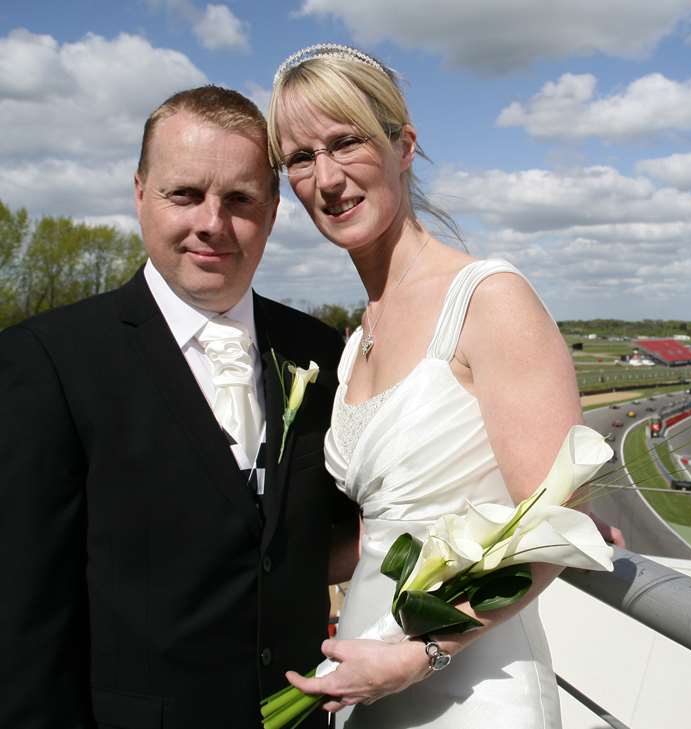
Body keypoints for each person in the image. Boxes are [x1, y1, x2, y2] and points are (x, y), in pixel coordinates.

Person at [267, 45, 620, 728]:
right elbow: (375, 530)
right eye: (301, 159)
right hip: (364, 678)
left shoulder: (488, 299)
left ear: (403, 145)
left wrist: (424, 650)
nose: (328, 178)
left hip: (470, 688)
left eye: (346, 142)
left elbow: (550, 524)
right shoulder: (355, 336)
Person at [0, 86, 359, 728]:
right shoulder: (45, 361)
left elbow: (329, 535)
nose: (212, 224)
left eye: (241, 200)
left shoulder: (318, 351)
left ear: (274, 211)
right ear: (140, 193)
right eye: (184, 194)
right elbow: (24, 617)